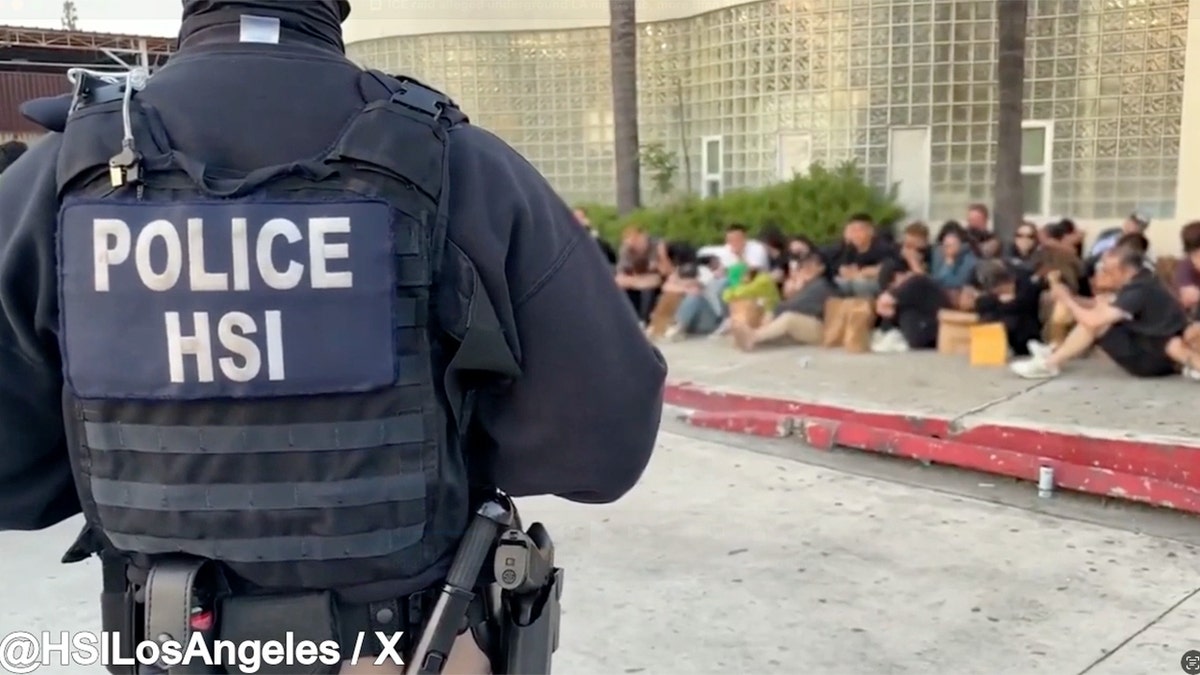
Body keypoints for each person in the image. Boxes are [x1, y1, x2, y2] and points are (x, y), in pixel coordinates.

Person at [0, 3, 665, 674]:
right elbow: (603, 441)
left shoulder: (55, 177)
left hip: (169, 646)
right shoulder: (459, 163)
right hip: (403, 649)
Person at [1011, 244, 1200, 381]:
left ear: (1124, 270)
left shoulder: (1139, 291)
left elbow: (1093, 321)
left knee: (1097, 323)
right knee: (1101, 306)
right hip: (1155, 348)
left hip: (1152, 358)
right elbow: (1099, 304)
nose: (1102, 275)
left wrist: (1067, 300)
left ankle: (1050, 363)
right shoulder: (1142, 281)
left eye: (1107, 271)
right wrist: (1071, 298)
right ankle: (1056, 351)